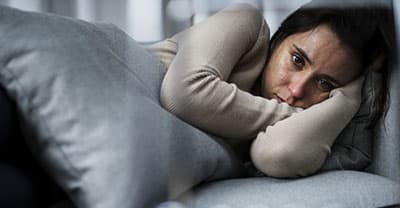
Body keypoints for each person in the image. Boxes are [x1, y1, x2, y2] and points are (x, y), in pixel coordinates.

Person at [147, 0, 394, 178]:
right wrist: (297, 116)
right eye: (297, 60)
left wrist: (351, 97)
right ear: (279, 40)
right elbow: (183, 95)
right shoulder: (245, 20)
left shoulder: (284, 133)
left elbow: (278, 154)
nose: (297, 90)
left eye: (325, 83)